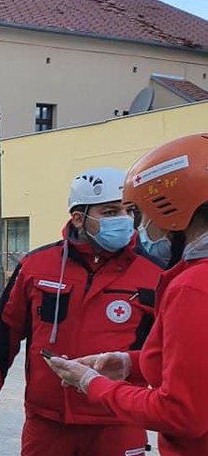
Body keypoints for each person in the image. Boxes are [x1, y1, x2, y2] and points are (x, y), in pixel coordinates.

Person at [0, 167, 163, 456]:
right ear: (78, 218)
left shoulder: (155, 275)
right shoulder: (36, 267)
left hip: (118, 420)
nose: (124, 220)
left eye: (128, 211)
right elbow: (4, 332)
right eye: (110, 212)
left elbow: (168, 352)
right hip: (48, 421)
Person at [46, 135, 208, 455]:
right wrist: (129, 363)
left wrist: (93, 384)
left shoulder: (191, 287)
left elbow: (183, 413)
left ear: (171, 211)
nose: (139, 228)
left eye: (139, 214)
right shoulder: (41, 264)